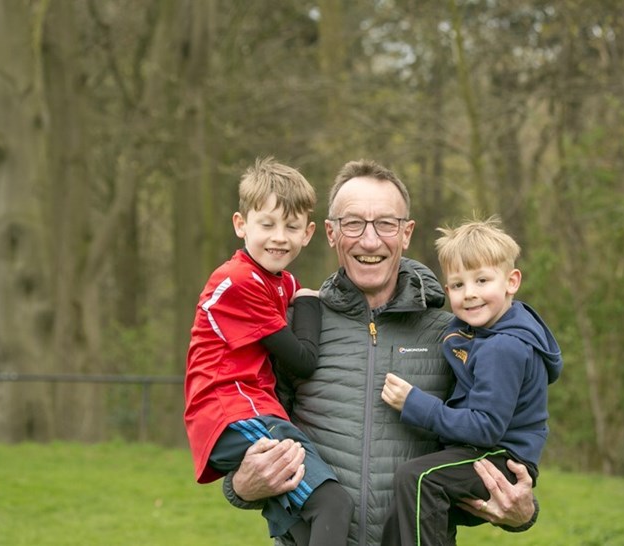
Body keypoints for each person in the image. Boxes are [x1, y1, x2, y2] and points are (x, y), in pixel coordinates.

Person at [223, 159, 540, 545]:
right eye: (353, 223)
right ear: (330, 233)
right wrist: (240, 486)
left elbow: (490, 446)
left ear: (406, 233)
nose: (370, 241)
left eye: (386, 224)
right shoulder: (291, 328)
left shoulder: (455, 337)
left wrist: (523, 512)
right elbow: (249, 424)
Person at [183, 157, 353, 546]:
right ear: (241, 224)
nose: (279, 237)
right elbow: (303, 360)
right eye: (267, 224)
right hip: (232, 407)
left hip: (254, 405)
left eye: (291, 227)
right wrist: (309, 301)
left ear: (308, 233)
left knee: (305, 529)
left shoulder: (280, 281)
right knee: (333, 503)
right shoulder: (239, 280)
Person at [380, 217, 563, 546]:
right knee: (421, 501)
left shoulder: (502, 347)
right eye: (458, 285)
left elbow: (485, 427)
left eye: (482, 280)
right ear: (447, 290)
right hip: (483, 452)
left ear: (511, 281)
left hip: (501, 459)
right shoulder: (480, 332)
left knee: (418, 479)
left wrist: (415, 403)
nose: (470, 294)